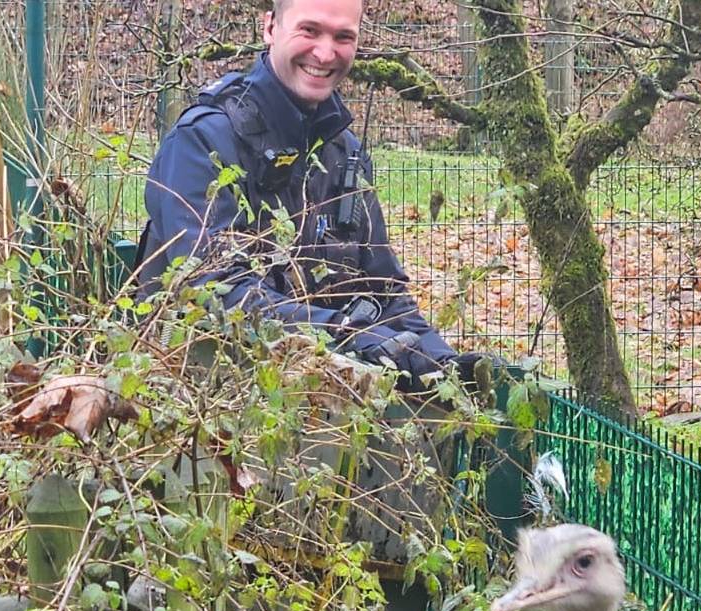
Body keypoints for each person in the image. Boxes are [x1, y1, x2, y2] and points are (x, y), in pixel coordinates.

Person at [138, 0, 462, 387]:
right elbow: (211, 291)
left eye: (343, 37)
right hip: (201, 399)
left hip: (321, 402)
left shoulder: (345, 151)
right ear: (270, 28)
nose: (326, 53)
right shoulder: (203, 141)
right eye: (309, 31)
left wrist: (446, 366)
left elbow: (385, 291)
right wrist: (344, 332)